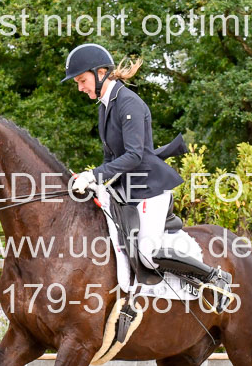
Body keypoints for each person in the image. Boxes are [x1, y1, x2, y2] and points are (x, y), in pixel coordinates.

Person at [61, 43, 231, 299]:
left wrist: (93, 175)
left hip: (148, 189)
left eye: (82, 81)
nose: (80, 88)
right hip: (127, 189)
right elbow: (110, 157)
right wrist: (96, 183)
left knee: (148, 255)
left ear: (100, 73)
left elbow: (134, 155)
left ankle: (213, 276)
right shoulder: (105, 106)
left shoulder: (129, 103)